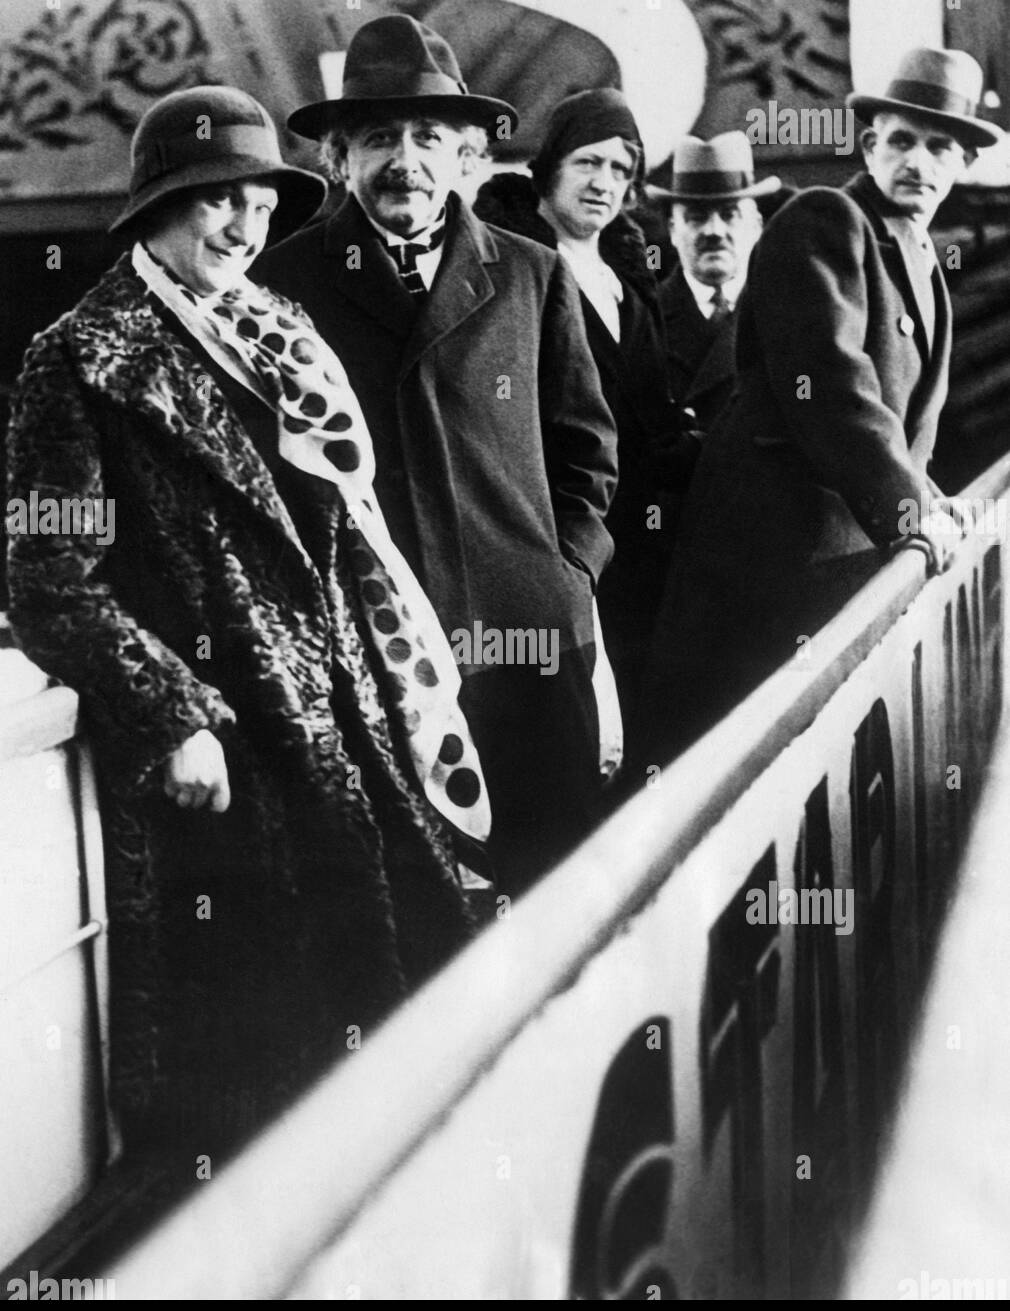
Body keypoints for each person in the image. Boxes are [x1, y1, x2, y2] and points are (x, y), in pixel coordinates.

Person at [5, 86, 490, 1159]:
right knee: (269, 1086)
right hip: (234, 767)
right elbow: (48, 580)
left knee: (405, 1052)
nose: (243, 224)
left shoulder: (283, 332)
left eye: (260, 202)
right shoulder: (78, 357)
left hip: (356, 731)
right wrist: (174, 709)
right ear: (154, 212)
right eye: (214, 201)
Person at [257, 17, 620, 896]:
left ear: (466, 158)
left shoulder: (533, 274)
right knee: (417, 915)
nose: (405, 161)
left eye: (429, 137)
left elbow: (588, 448)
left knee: (557, 898)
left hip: (532, 640)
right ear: (339, 161)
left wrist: (571, 569)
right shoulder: (284, 283)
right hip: (380, 649)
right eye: (379, 138)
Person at [639, 48, 1000, 768]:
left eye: (940, 148)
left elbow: (893, 418)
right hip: (769, 560)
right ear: (870, 144)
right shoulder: (826, 217)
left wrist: (931, 496)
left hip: (834, 562)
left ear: (960, 164)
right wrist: (909, 513)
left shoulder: (920, 256)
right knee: (727, 772)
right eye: (901, 140)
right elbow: (832, 385)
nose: (919, 163)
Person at [473, 87, 689, 734]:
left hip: (643, 542)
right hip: (558, 542)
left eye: (622, 170)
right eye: (588, 163)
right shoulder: (507, 266)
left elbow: (653, 417)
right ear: (549, 168)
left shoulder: (630, 276)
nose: (605, 183)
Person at [653, 132, 780, 432]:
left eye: (729, 215)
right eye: (696, 217)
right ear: (673, 230)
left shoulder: (786, 315)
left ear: (757, 227)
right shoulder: (644, 317)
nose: (714, 230)